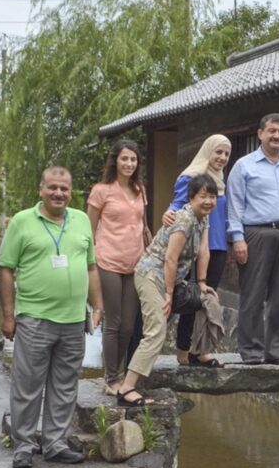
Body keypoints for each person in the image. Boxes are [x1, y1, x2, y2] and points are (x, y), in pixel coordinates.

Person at [0, 166, 104, 468]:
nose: (58, 193)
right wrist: (8, 315)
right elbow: (6, 268)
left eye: (64, 189)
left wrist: (97, 307)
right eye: (52, 187)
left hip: (73, 320)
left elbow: (91, 267)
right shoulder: (22, 222)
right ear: (41, 189)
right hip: (34, 317)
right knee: (27, 384)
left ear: (71, 192)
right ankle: (23, 444)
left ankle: (55, 443)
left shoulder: (82, 220)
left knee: (65, 384)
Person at [115, 174, 216, 406]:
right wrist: (169, 294)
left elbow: (204, 250)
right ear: (191, 198)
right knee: (156, 330)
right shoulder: (183, 219)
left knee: (204, 300)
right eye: (203, 196)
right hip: (151, 276)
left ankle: (190, 354)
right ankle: (127, 388)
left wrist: (201, 282)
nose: (208, 201)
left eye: (212, 196)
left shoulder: (203, 219)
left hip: (171, 278)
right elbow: (170, 259)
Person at [226, 113, 279, 365]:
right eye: (272, 131)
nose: (276, 136)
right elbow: (235, 205)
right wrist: (237, 238)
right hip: (255, 234)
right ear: (260, 134)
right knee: (253, 294)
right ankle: (251, 350)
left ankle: (277, 350)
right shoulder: (244, 166)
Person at [163, 134, 232, 368]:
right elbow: (178, 203)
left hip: (218, 246)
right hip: (194, 246)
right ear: (207, 151)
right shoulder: (191, 176)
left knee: (207, 300)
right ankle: (183, 349)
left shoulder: (221, 182)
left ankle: (201, 351)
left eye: (226, 154)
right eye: (218, 152)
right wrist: (168, 214)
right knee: (190, 301)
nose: (222, 158)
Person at [87, 139, 149, 395]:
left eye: (133, 159)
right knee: (113, 323)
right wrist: (89, 264)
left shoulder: (139, 189)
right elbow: (88, 230)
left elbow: (142, 227)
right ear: (115, 161)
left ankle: (119, 372)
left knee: (128, 325)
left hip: (135, 262)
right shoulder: (101, 190)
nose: (129, 164)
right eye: (124, 158)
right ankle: (111, 378)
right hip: (108, 261)